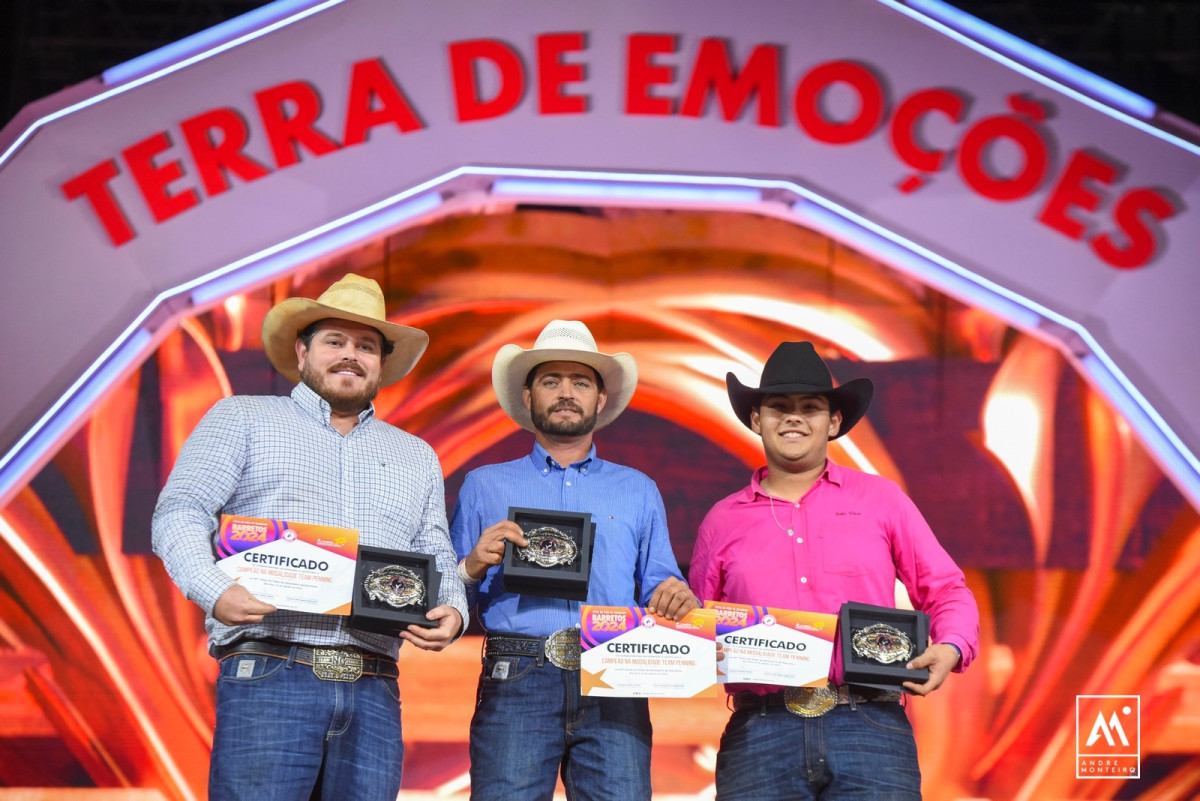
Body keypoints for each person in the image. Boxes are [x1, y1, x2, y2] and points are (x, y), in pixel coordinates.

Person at [151, 273, 468, 800]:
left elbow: (434, 549)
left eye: (366, 346)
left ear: (381, 364)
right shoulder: (243, 418)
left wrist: (452, 611)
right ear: (302, 352)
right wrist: (213, 589)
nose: (351, 356)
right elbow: (180, 509)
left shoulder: (417, 455)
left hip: (374, 684)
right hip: (270, 670)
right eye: (335, 341)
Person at [689, 341, 979, 800]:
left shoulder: (882, 500)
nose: (793, 418)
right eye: (778, 407)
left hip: (870, 725)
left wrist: (951, 647)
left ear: (834, 422)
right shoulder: (722, 520)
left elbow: (946, 589)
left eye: (810, 407)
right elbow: (696, 628)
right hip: (761, 731)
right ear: (755, 419)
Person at [450, 319, 698, 801]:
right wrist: (474, 564)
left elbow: (661, 588)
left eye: (581, 382)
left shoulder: (638, 490)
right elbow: (449, 602)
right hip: (517, 675)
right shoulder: (483, 484)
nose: (566, 392)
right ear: (528, 395)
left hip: (614, 669)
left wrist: (677, 596)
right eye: (551, 381)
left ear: (600, 399)